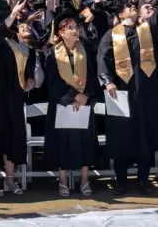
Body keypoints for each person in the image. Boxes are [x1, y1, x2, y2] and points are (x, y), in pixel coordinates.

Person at [96, 0, 158, 196]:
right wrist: (107, 80)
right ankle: (121, 181)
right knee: (121, 138)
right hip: (120, 92)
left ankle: (143, 180)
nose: (134, 8)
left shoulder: (147, 30)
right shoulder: (112, 34)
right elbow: (103, 58)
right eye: (130, 7)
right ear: (121, 14)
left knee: (145, 137)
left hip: (146, 92)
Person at [45, 12, 98, 197]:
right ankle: (63, 180)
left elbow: (92, 76)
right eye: (71, 28)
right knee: (63, 141)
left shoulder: (86, 50)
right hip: (63, 103)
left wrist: (86, 96)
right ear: (61, 32)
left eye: (77, 27)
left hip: (84, 102)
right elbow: (52, 82)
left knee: (84, 139)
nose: (75, 31)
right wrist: (73, 95)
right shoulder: (52, 53)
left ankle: (84, 179)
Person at [0, 0, 34, 196]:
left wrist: (30, 75)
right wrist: (13, 14)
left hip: (14, 93)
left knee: (13, 134)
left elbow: (27, 57)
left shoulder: (15, 38)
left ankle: (10, 180)